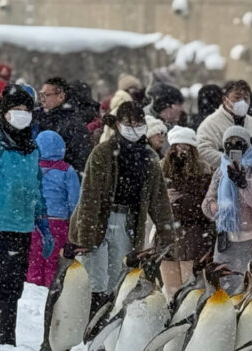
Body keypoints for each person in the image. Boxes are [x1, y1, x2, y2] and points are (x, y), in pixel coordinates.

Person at [68, 100, 176, 309]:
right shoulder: (103, 152)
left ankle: (109, 324)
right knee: (94, 278)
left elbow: (159, 199)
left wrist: (167, 233)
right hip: (100, 218)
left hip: (128, 220)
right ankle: (92, 325)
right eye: (129, 124)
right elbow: (90, 196)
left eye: (138, 124)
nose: (133, 129)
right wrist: (86, 237)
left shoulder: (149, 157)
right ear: (118, 125)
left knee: (120, 278)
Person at [0, 85, 48, 346]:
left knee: (13, 284)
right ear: (3, 112)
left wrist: (43, 222)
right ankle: (6, 342)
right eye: (15, 109)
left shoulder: (31, 145)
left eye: (26, 109)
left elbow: (36, 185)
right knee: (7, 285)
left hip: (23, 223)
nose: (21, 114)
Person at [201, 125, 252, 294]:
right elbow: (206, 203)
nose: (234, 146)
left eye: (239, 142)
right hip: (226, 240)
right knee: (222, 287)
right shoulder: (220, 172)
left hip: (250, 239)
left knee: (247, 287)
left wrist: (242, 183)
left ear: (247, 145)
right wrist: (216, 208)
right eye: (229, 143)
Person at [160, 126, 213, 297]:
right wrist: (162, 199)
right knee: (171, 291)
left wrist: (180, 201)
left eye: (184, 146)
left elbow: (205, 206)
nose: (180, 151)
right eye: (176, 146)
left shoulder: (203, 170)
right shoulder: (162, 168)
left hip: (192, 234)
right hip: (167, 234)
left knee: (190, 290)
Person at [26, 130, 80, 287]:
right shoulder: (67, 170)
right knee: (53, 260)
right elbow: (74, 199)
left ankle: (32, 288)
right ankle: (51, 289)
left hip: (35, 221)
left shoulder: (31, 167)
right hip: (58, 222)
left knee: (34, 259)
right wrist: (71, 218)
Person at [197, 80, 252, 169]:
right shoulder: (210, 123)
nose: (242, 102)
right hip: (221, 175)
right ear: (225, 99)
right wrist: (230, 162)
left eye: (246, 98)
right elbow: (203, 150)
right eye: (237, 97)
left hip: (251, 178)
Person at [37, 77, 92, 174]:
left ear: (61, 96)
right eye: (41, 95)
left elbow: (80, 161)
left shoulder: (72, 124)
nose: (42, 100)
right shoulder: (40, 117)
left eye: (46, 95)